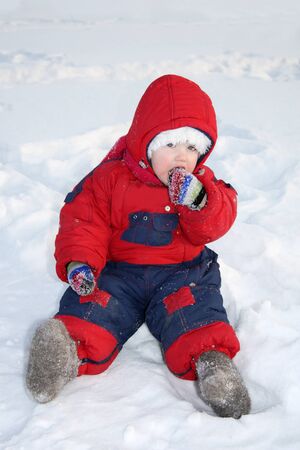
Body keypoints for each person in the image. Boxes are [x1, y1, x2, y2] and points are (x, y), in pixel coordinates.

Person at [26, 74, 250, 418]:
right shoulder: (109, 179)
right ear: (145, 141)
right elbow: (83, 222)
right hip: (120, 272)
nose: (182, 157)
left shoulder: (202, 185)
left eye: (192, 147)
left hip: (182, 273)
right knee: (95, 306)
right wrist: (79, 262)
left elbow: (219, 220)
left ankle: (214, 367)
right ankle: (62, 352)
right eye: (171, 145)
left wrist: (200, 201)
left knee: (193, 313)